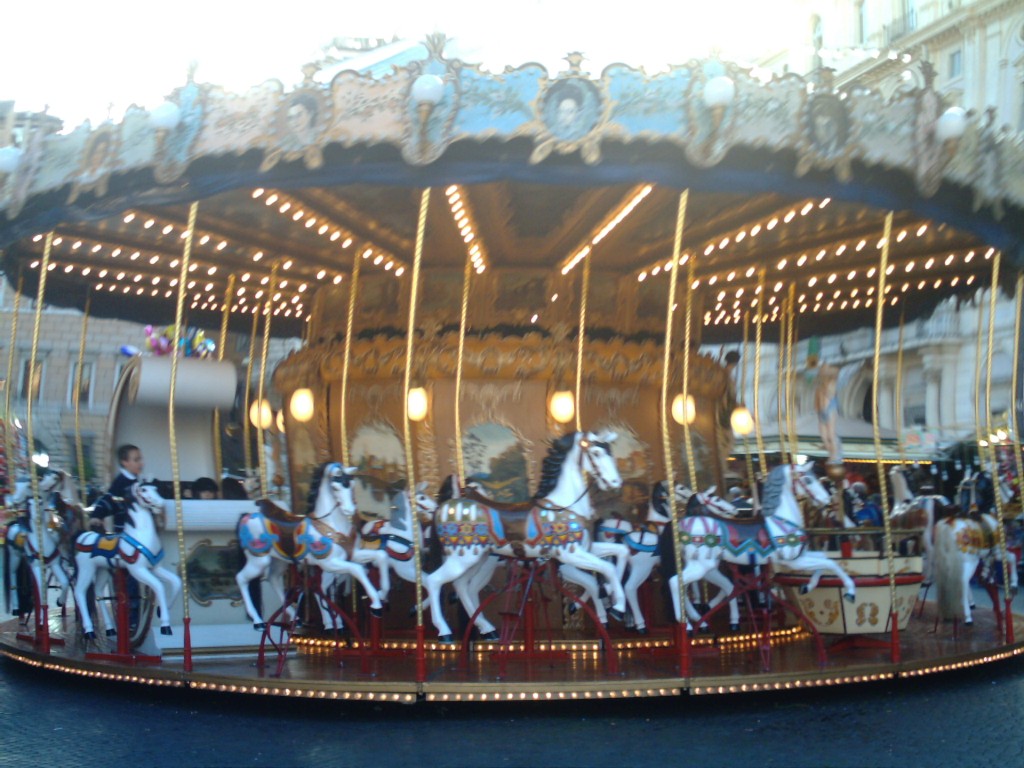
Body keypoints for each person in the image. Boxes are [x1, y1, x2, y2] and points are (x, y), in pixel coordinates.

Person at [89, 443, 143, 533]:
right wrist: (97, 515)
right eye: (136, 460)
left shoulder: (136, 481)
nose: (140, 463)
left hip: (139, 529)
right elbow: (109, 499)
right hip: (126, 530)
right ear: (125, 462)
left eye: (140, 459)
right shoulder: (120, 483)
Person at [815, 363, 842, 465]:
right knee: (824, 437)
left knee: (830, 434)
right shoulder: (819, 385)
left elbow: (830, 394)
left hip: (830, 409)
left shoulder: (832, 382)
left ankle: (834, 456)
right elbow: (817, 398)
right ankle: (832, 454)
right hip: (821, 411)